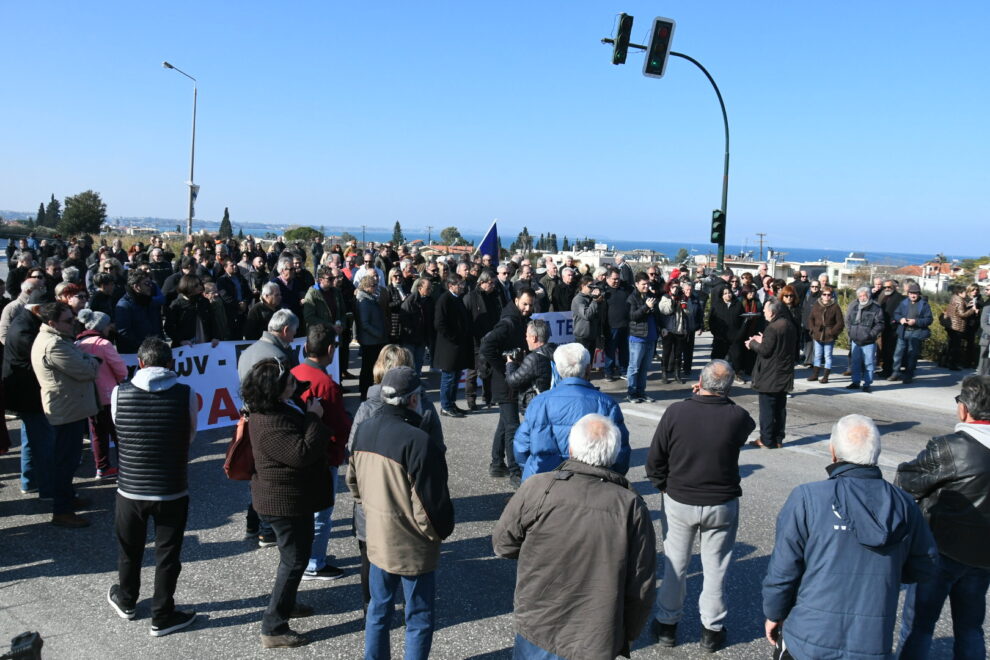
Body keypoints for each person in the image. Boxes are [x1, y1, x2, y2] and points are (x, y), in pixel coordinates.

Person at [762, 414, 937, 660]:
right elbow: (925, 564)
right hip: (872, 641)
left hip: (808, 638)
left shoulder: (807, 497)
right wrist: (887, 572)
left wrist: (774, 613)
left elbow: (784, 569)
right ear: (876, 453)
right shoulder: (904, 504)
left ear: (833, 451)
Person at [493, 414, 656, 660]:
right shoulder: (630, 505)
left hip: (539, 624)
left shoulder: (538, 487)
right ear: (613, 455)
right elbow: (641, 584)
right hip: (596, 635)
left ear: (570, 448)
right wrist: (626, 634)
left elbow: (503, 545)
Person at [646, 360, 755, 652]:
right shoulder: (737, 416)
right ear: (728, 389)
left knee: (676, 566)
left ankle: (667, 625)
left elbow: (655, 458)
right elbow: (746, 426)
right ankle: (712, 629)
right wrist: (720, 395)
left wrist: (663, 485)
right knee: (716, 568)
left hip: (680, 498)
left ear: (700, 382)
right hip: (721, 501)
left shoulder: (676, 411)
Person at [347, 366, 455, 660]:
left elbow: (353, 483)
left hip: (377, 537)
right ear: (412, 400)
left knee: (378, 611)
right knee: (418, 617)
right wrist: (438, 534)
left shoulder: (365, 429)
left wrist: (373, 511)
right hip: (413, 547)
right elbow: (431, 507)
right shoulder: (419, 441)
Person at [106, 337, 198, 636]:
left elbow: (119, 428)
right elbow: (190, 435)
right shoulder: (186, 394)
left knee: (129, 549)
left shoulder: (120, 392)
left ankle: (127, 599)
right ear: (171, 364)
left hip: (130, 488)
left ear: (140, 363)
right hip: (171, 487)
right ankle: (162, 614)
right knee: (168, 554)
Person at [895, 375, 990, 659]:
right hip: (984, 556)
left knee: (920, 626)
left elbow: (906, 480)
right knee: (971, 628)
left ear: (965, 408)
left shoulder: (950, 446)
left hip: (940, 550)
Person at [242, 358, 330, 649]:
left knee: (296, 556)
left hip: (292, 499)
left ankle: (287, 603)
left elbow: (298, 389)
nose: (294, 383)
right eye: (289, 381)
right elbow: (301, 453)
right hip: (282, 502)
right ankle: (273, 626)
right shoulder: (269, 421)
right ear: (276, 391)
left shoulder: (277, 405)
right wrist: (315, 417)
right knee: (293, 561)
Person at [514, 343, 630, 482]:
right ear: (588, 369)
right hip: (591, 483)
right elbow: (620, 452)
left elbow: (521, 447)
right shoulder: (606, 404)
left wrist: (532, 471)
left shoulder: (539, 402)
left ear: (557, 369)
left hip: (543, 481)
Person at [31, 301, 101, 527]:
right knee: (65, 462)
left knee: (68, 460)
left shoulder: (57, 339)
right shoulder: (54, 345)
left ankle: (68, 499)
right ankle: (62, 511)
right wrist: (93, 360)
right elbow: (87, 370)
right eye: (68, 321)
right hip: (66, 410)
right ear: (52, 323)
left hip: (70, 406)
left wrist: (86, 359)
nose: (74, 324)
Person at [290, 324, 351, 582]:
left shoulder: (293, 373)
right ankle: (313, 563)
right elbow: (339, 427)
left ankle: (301, 557)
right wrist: (339, 453)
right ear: (330, 350)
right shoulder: (327, 384)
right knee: (320, 515)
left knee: (300, 512)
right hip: (321, 457)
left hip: (294, 454)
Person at [481, 288, 536, 484]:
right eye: (524, 304)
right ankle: (515, 470)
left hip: (513, 379)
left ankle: (497, 464)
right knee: (513, 426)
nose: (527, 308)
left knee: (505, 423)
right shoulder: (508, 323)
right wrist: (503, 367)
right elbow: (487, 347)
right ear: (516, 301)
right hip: (504, 382)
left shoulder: (522, 320)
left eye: (530, 305)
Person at [3, 304, 53, 499]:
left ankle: (30, 481)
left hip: (23, 394)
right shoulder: (25, 330)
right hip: (28, 395)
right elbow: (40, 360)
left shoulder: (24, 323)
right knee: (43, 442)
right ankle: (47, 488)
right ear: (37, 309)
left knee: (31, 440)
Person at [75, 309, 127, 479]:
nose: (111, 327)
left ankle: (102, 467)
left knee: (97, 433)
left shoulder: (77, 344)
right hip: (109, 395)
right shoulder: (103, 344)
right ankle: (126, 467)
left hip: (89, 396)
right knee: (118, 433)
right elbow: (121, 369)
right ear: (102, 326)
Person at [746, 299, 796, 449]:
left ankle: (766, 440)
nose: (763, 312)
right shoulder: (789, 325)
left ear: (773, 312)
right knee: (780, 408)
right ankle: (778, 438)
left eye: (765, 310)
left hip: (771, 374)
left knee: (767, 409)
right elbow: (777, 344)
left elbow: (765, 351)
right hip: (784, 372)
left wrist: (752, 343)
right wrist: (763, 340)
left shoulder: (773, 327)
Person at [433, 273, 474, 416]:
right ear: (451, 286)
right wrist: (453, 337)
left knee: (455, 378)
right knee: (448, 378)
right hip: (448, 347)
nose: (463, 287)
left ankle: (451, 404)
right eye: (460, 285)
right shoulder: (444, 300)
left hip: (458, 346)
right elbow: (439, 323)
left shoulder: (458, 299)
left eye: (463, 284)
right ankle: (445, 406)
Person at [463, 271, 501, 410]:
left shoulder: (494, 296)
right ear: (482, 282)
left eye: (494, 283)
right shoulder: (470, 297)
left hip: (490, 338)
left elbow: (497, 314)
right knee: (473, 371)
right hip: (475, 340)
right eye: (491, 283)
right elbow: (466, 317)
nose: (493, 285)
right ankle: (471, 399)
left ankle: (488, 397)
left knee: (489, 370)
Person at [504, 319, 556, 415]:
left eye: (527, 335)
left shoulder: (533, 359)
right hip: (553, 403)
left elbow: (512, 381)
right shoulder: (556, 350)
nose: (526, 338)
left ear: (533, 338)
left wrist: (510, 364)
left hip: (536, 408)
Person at [626, 272, 660, 402]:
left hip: (651, 336)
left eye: (648, 284)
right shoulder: (632, 298)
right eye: (643, 284)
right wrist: (646, 307)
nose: (646, 286)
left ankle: (641, 392)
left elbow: (657, 314)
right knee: (634, 367)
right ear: (636, 284)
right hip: (637, 338)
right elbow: (633, 316)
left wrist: (661, 327)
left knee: (645, 368)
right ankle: (631, 393)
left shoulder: (652, 296)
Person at [844, 286, 885, 393]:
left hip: (868, 341)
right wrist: (850, 332)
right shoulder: (855, 307)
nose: (862, 298)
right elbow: (848, 320)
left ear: (868, 295)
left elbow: (880, 324)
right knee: (855, 363)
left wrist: (871, 335)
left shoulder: (876, 308)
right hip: (855, 341)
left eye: (864, 295)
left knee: (869, 363)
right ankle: (855, 382)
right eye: (860, 296)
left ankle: (867, 384)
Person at [890, 283, 933, 384]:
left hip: (916, 332)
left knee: (912, 355)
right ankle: (895, 372)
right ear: (908, 294)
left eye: (915, 293)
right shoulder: (903, 303)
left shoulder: (924, 305)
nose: (913, 295)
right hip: (903, 331)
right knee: (898, 354)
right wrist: (900, 319)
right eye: (911, 293)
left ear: (919, 294)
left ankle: (909, 375)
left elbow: (929, 319)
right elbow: (896, 314)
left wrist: (916, 322)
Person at [355, 274, 388, 400]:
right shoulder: (363, 301)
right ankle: (364, 393)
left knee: (370, 368)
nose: (376, 287)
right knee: (368, 369)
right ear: (367, 286)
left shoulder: (370, 298)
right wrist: (379, 333)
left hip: (374, 340)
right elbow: (365, 324)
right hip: (370, 341)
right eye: (374, 285)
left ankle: (367, 391)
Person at [115, 270, 165, 354]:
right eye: (147, 284)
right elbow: (124, 333)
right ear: (136, 286)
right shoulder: (124, 305)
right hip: (136, 353)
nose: (151, 286)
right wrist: (145, 347)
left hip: (153, 349)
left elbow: (156, 324)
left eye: (151, 283)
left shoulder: (149, 300)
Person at [164, 275, 219, 348]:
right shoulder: (176, 306)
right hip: (186, 347)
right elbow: (169, 327)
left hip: (206, 344)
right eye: (196, 285)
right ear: (188, 287)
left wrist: (215, 337)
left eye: (200, 284)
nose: (200, 287)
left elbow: (212, 320)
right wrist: (181, 341)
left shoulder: (203, 301)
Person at [805, 285, 844, 384]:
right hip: (818, 333)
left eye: (828, 295)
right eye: (824, 294)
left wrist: (832, 332)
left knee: (828, 356)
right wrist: (813, 329)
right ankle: (815, 375)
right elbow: (811, 318)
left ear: (831, 296)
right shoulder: (817, 305)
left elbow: (840, 323)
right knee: (817, 355)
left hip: (829, 335)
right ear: (821, 295)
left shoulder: (835, 306)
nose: (826, 296)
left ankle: (825, 377)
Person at [602, 268, 631, 381]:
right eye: (614, 279)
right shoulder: (604, 291)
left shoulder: (625, 290)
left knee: (624, 350)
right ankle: (608, 372)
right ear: (607, 278)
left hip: (624, 325)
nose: (616, 281)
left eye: (618, 279)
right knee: (610, 351)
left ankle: (623, 371)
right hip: (611, 327)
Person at [876, 278, 904, 378]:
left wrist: (895, 321)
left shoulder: (900, 298)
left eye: (889, 287)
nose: (887, 289)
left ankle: (891, 371)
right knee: (885, 350)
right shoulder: (884, 296)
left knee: (891, 351)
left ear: (893, 287)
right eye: (885, 287)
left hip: (894, 329)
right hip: (885, 327)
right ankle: (885, 369)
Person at [570, 275, 602, 359]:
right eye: (590, 286)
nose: (592, 289)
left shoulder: (591, 298)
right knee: (581, 362)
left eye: (593, 286)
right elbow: (587, 315)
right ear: (583, 286)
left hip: (592, 335)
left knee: (589, 364)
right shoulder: (578, 299)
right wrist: (595, 301)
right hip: (582, 337)